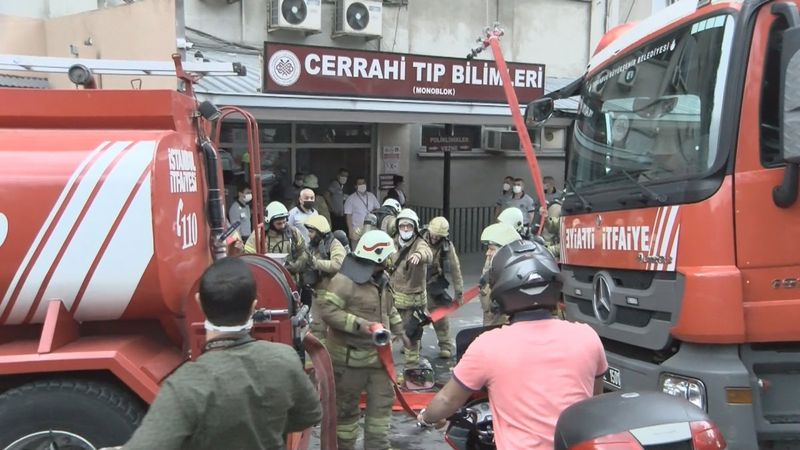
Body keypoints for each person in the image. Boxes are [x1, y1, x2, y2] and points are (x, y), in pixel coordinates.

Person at [416, 240, 608, 449]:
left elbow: (446, 401)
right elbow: (593, 399)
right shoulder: (588, 336)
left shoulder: (488, 346)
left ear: (501, 291)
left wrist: (426, 416)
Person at [120, 258, 322, 450]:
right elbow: (310, 414)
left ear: (199, 303)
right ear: (253, 306)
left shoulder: (185, 384)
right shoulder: (284, 359)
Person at [319, 230, 408, 450]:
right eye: (387, 254)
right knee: (346, 414)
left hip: (378, 362)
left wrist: (400, 329)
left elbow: (388, 308)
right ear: (377, 256)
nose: (391, 258)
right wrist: (361, 325)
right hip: (349, 365)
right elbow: (328, 311)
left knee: (381, 410)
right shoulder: (344, 281)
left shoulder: (381, 279)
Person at [388, 208, 433, 367]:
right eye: (402, 226)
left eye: (409, 226)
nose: (405, 229)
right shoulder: (391, 242)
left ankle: (412, 368)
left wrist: (419, 255)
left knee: (412, 335)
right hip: (393, 299)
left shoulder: (420, 243)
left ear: (414, 227)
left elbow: (427, 253)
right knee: (388, 332)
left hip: (413, 300)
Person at [422, 216, 464, 359]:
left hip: (433, 283)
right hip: (415, 283)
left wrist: (459, 292)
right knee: (412, 316)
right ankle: (411, 345)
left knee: (439, 316)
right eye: (433, 234)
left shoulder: (447, 246)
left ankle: (445, 345)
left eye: (438, 236)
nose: (434, 237)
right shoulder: (418, 240)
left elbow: (455, 268)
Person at [303, 215, 346, 342]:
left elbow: (338, 264)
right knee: (317, 329)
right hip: (317, 293)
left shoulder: (334, 245)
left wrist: (317, 263)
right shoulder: (312, 245)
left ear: (320, 231)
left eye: (311, 232)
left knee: (334, 329)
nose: (309, 235)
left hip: (332, 293)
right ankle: (320, 358)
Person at [244, 201, 308, 278]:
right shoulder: (259, 234)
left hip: (290, 278)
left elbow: (304, 252)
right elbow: (249, 255)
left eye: (284, 222)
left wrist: (296, 265)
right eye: (279, 223)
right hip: (268, 277)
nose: (282, 226)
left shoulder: (293, 232)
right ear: (270, 222)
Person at [478, 222, 520, 326]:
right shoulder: (491, 262)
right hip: (491, 319)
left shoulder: (515, 272)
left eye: (492, 249)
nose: (487, 253)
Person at [344, 177, 380, 246]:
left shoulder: (371, 196)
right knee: (357, 252)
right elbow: (348, 216)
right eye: (359, 184)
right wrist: (350, 231)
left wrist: (373, 212)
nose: (362, 185)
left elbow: (378, 209)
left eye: (363, 183)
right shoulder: (351, 199)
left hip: (371, 230)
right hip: (357, 231)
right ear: (355, 186)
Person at [325, 168, 349, 232]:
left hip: (341, 216)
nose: (344, 178)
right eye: (343, 175)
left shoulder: (341, 186)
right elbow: (326, 194)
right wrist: (332, 208)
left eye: (346, 176)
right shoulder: (335, 184)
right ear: (338, 176)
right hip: (335, 215)